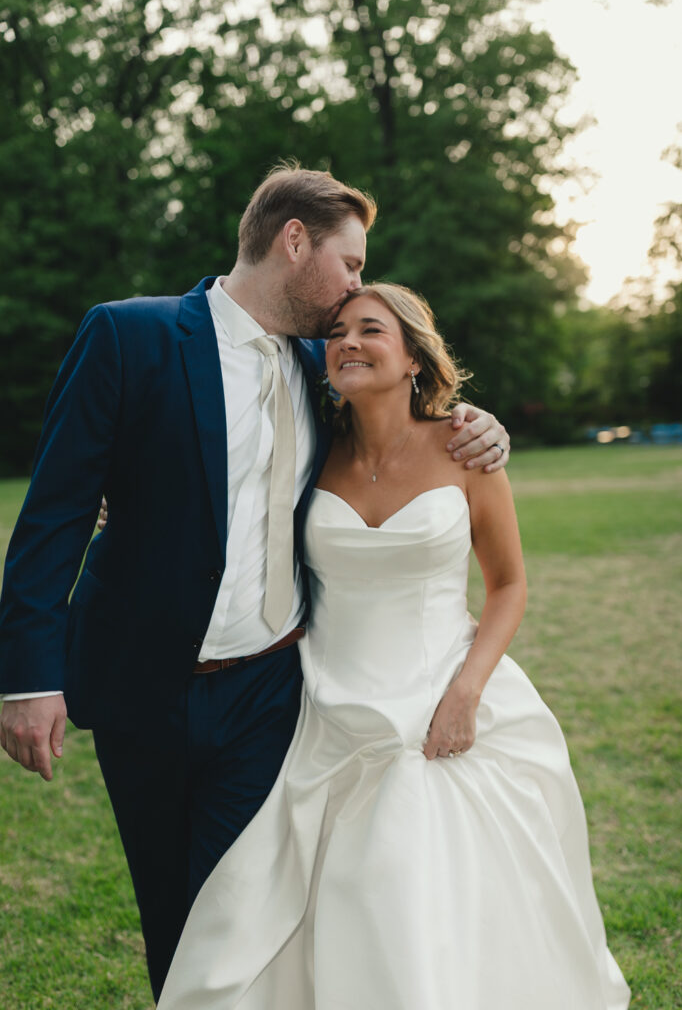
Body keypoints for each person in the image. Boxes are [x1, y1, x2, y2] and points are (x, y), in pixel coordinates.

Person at [0, 165, 511, 1001]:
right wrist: (27, 676)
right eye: (349, 263)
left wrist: (474, 424)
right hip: (144, 690)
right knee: (177, 915)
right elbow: (55, 514)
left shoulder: (327, 362)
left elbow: (406, 413)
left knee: (250, 910)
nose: (354, 286)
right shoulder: (129, 337)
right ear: (294, 241)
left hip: (272, 692)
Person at [156, 283, 630, 1010]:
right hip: (322, 700)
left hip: (440, 692)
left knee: (408, 877)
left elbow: (506, 586)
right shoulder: (310, 446)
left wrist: (464, 693)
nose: (347, 342)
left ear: (413, 356)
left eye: (370, 330)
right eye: (337, 331)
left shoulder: (467, 450)